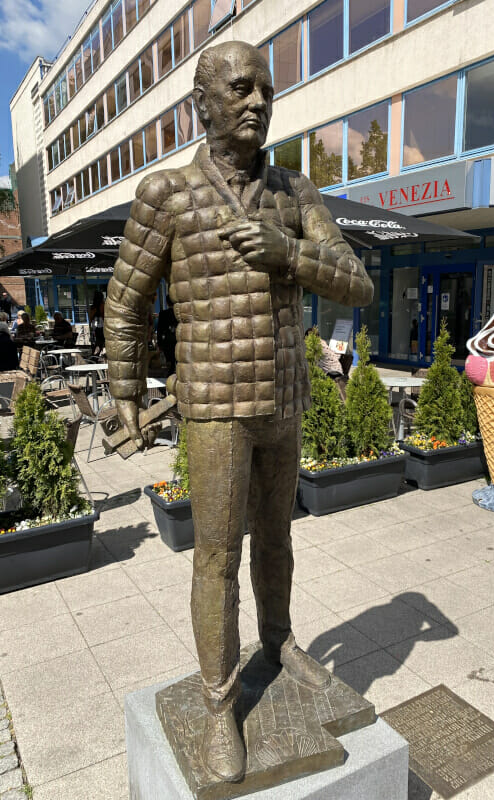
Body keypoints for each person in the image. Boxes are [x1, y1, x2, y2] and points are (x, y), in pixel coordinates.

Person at [105, 41, 373, 783]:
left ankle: (279, 641)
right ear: (203, 104)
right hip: (216, 408)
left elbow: (358, 283)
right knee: (217, 558)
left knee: (279, 536)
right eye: (242, 89)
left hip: (282, 399)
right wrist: (125, 394)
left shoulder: (295, 193)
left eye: (266, 90)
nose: (258, 102)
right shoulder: (168, 195)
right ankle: (220, 704)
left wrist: (288, 251)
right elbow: (126, 302)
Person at [157, 296, 177, 375]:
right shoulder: (179, 314)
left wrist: (160, 343)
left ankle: (169, 380)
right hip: (178, 341)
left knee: (170, 363)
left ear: (167, 303)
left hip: (167, 342)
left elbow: (159, 330)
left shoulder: (163, 314)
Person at [89, 291, 105, 355]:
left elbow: (90, 318)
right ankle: (98, 354)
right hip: (103, 326)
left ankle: (95, 355)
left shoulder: (92, 307)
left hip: (95, 328)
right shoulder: (103, 305)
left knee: (97, 343)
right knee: (102, 342)